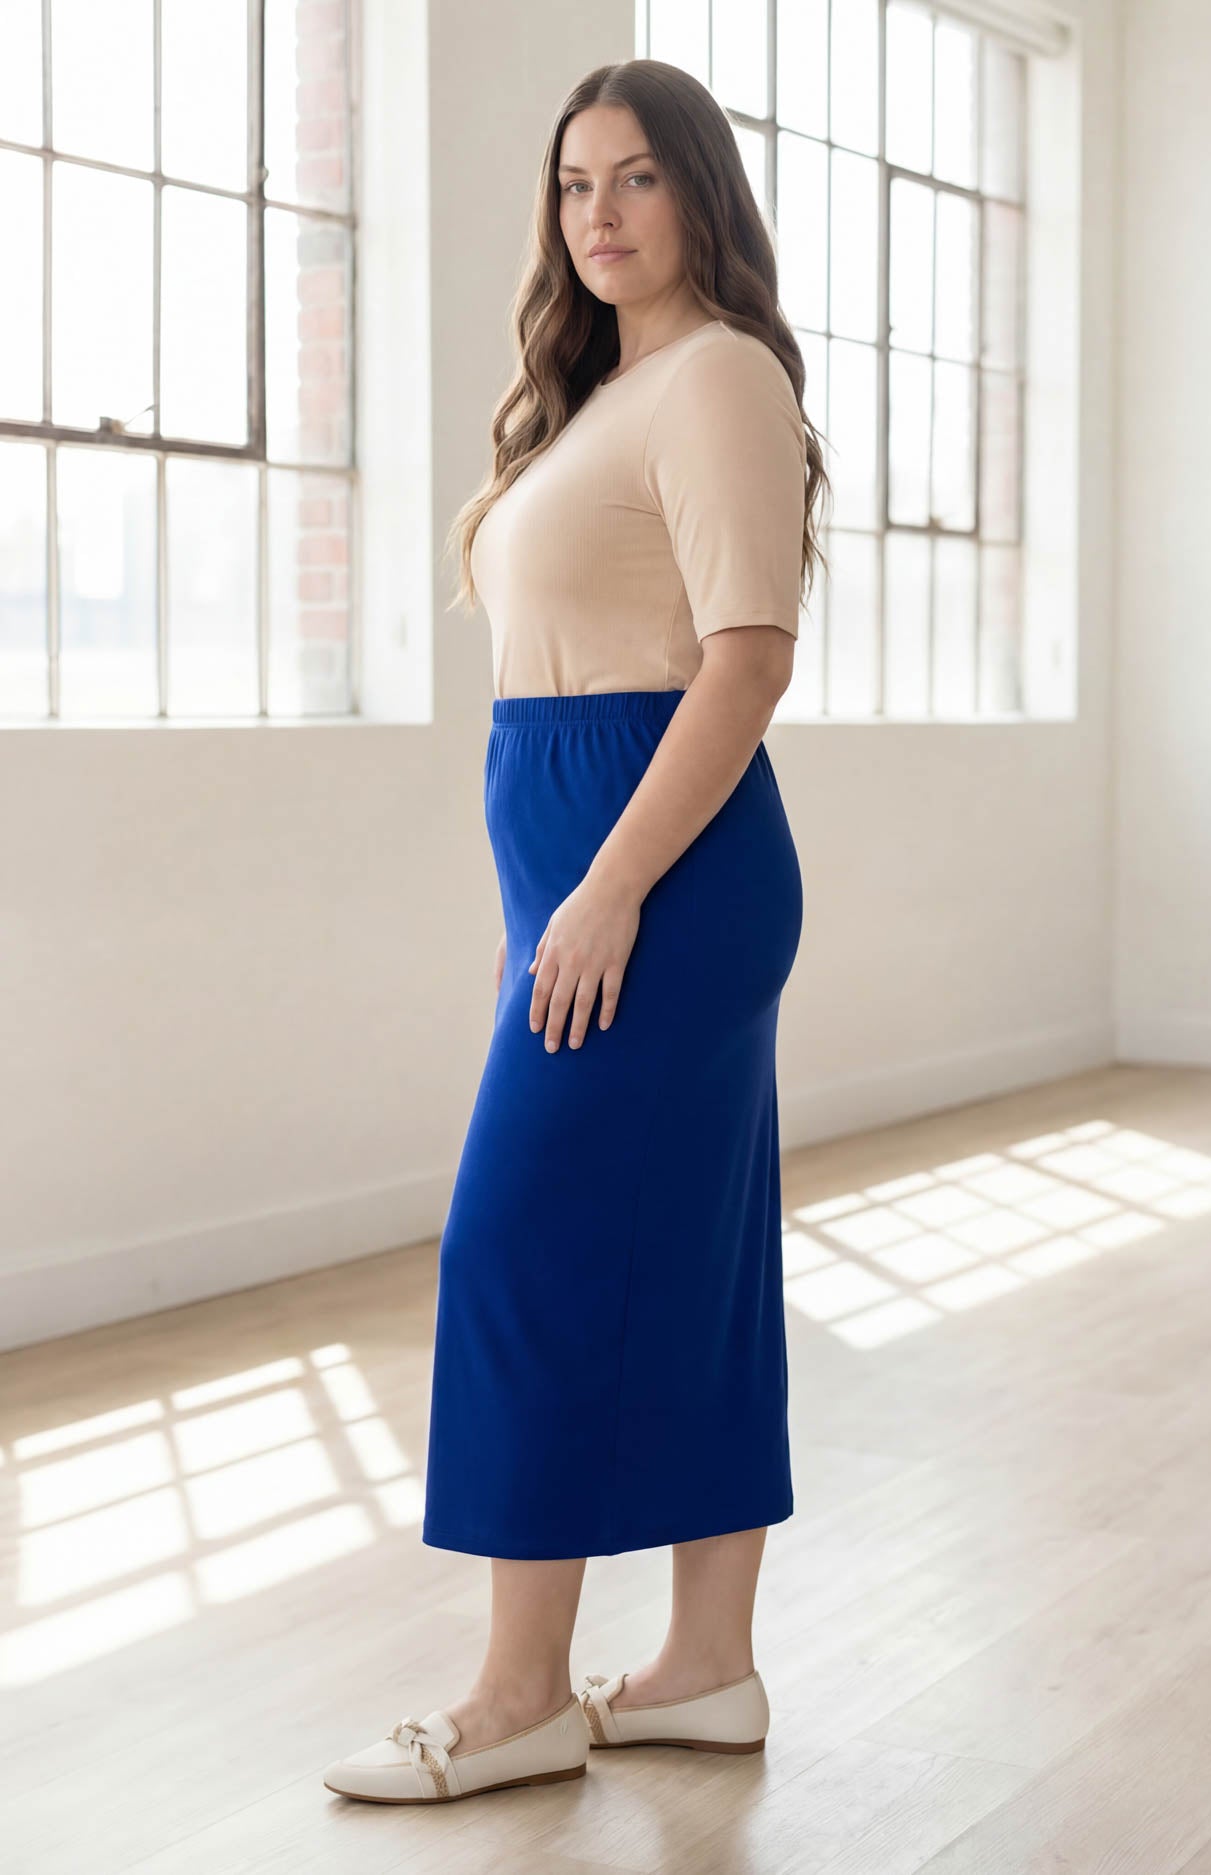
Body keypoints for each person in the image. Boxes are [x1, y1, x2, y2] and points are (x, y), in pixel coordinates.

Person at [324, 56, 830, 1806]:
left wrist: (606, 886)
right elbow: (555, 688)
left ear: (698, 193)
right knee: (686, 1255)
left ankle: (518, 1695)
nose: (597, 216)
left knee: (518, 1249)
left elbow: (742, 658)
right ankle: (701, 1668)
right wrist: (541, 896)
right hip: (593, 866)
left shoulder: (717, 381)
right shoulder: (593, 400)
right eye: (571, 186)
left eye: (633, 179)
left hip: (666, 873)